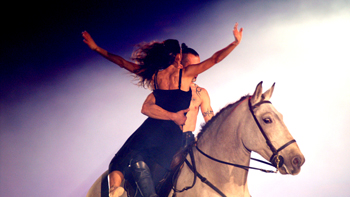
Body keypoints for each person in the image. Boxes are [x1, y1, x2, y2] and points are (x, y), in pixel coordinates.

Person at [82, 23, 243, 197]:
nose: (197, 69)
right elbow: (215, 59)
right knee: (146, 168)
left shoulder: (157, 76)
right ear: (179, 59)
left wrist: (96, 48)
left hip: (162, 132)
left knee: (128, 157)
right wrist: (234, 43)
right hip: (172, 135)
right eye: (187, 61)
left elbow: (122, 63)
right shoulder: (184, 74)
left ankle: (116, 188)